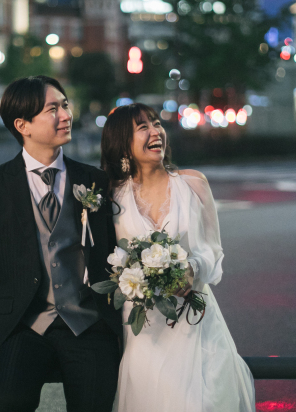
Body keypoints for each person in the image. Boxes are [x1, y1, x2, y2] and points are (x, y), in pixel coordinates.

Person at [0, 76, 122, 412]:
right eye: (52, 109)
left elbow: (110, 254)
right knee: (6, 404)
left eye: (66, 105)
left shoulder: (93, 180)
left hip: (87, 323)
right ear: (22, 125)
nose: (65, 114)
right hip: (21, 326)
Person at [101, 103, 255, 412]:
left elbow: (213, 249)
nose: (155, 131)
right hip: (144, 330)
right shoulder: (112, 199)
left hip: (195, 321)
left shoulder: (193, 184)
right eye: (142, 127)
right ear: (122, 143)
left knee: (207, 401)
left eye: (156, 123)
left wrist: (191, 270)